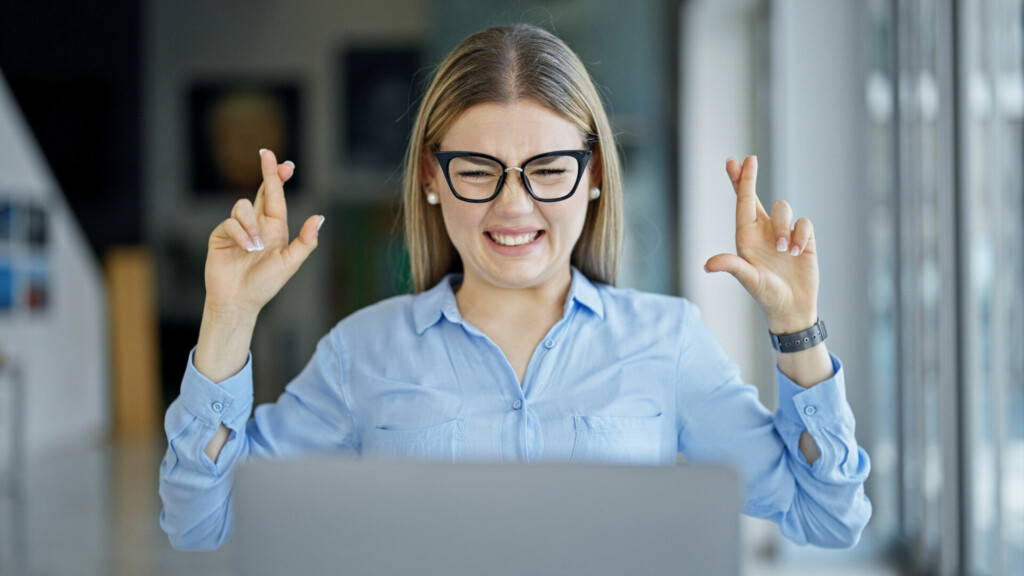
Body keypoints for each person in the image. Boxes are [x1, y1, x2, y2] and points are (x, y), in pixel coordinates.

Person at [159, 23, 871, 552]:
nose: (514, 206)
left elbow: (830, 515)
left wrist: (797, 328)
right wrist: (229, 314)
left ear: (592, 175)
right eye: (477, 170)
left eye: (549, 168)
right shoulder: (362, 353)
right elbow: (200, 522)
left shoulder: (669, 340)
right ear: (433, 180)